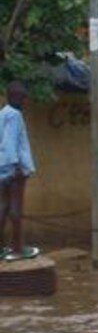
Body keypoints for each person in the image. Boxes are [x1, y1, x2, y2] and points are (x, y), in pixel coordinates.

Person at [0, 81, 37, 262]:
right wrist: (16, 167)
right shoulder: (14, 115)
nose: (25, 101)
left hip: (2, 169)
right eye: (23, 98)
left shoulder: (3, 114)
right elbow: (10, 143)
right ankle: (18, 249)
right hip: (14, 170)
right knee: (16, 209)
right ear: (15, 97)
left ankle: (1, 249)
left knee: (4, 207)